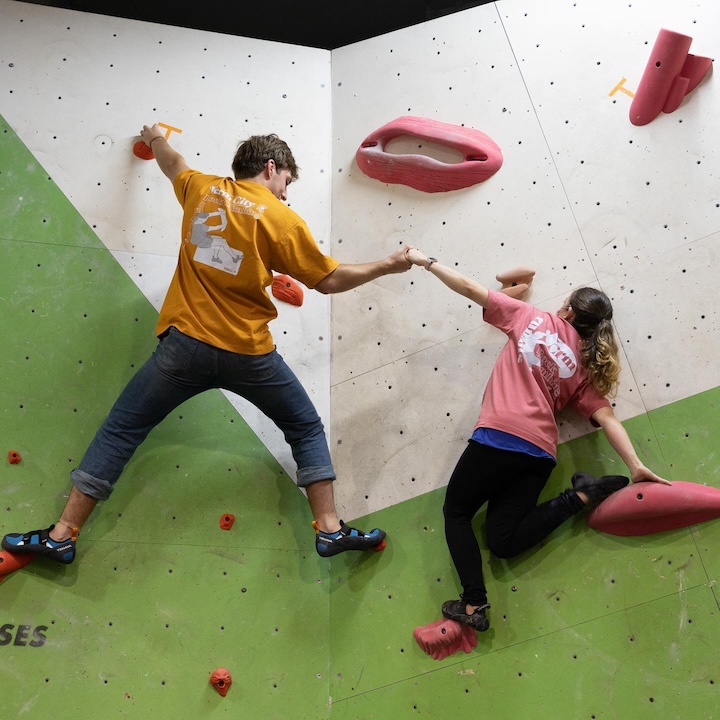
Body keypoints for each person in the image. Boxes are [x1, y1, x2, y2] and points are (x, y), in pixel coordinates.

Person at [2, 125, 413, 565]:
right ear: (271, 167)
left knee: (121, 431)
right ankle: (329, 529)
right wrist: (388, 265)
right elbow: (329, 280)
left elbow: (171, 162)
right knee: (305, 428)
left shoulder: (201, 189)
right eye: (287, 182)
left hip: (183, 349)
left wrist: (154, 137)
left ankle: (62, 534)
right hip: (249, 353)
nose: (286, 193)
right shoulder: (280, 218)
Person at [403, 247, 670, 632]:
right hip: (540, 453)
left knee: (457, 513)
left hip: (499, 436)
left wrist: (425, 261)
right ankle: (579, 496)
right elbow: (608, 419)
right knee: (502, 541)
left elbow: (468, 287)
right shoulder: (584, 366)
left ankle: (474, 603)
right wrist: (636, 465)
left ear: (568, 312)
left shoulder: (530, 318)